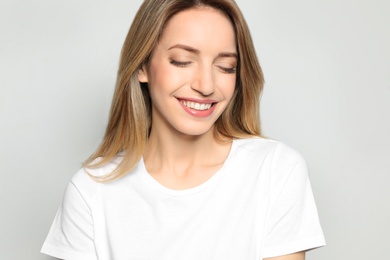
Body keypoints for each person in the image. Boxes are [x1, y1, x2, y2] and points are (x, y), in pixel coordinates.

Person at [41, 0, 325, 259]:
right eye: (182, 61)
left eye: (226, 67)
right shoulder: (91, 191)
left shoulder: (275, 170)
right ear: (142, 66)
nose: (206, 85)